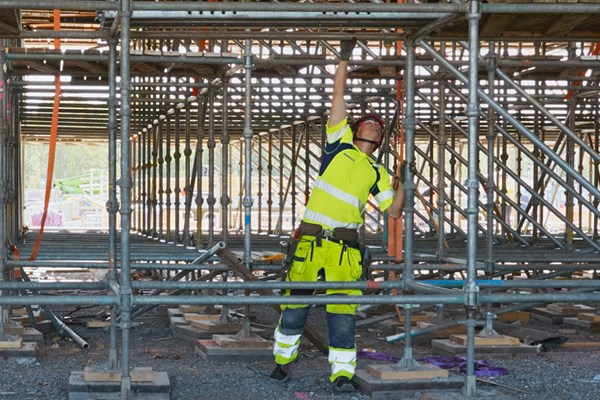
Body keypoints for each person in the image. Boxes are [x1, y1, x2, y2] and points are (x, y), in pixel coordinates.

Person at [270, 38, 405, 392]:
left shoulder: (377, 171)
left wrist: (403, 184)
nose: (374, 124)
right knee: (295, 310)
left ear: (380, 139)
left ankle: (342, 374)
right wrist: (344, 59)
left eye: (379, 125)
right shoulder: (338, 146)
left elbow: (393, 211)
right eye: (369, 122)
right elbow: (338, 96)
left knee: (342, 316)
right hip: (311, 242)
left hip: (345, 252)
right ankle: (282, 363)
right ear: (357, 130)